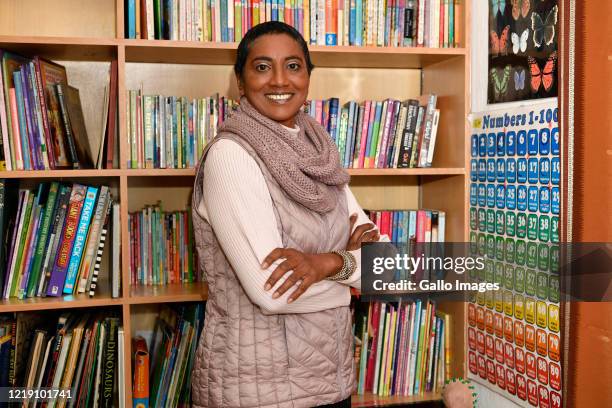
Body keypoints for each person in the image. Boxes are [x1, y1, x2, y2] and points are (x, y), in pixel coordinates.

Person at [191, 21, 384, 408]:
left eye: (293, 66)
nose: (280, 80)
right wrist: (348, 277)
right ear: (240, 83)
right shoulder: (231, 156)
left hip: (332, 381)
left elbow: (381, 267)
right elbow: (272, 295)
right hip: (257, 390)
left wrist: (325, 263)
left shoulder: (320, 154)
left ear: (308, 76)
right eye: (262, 67)